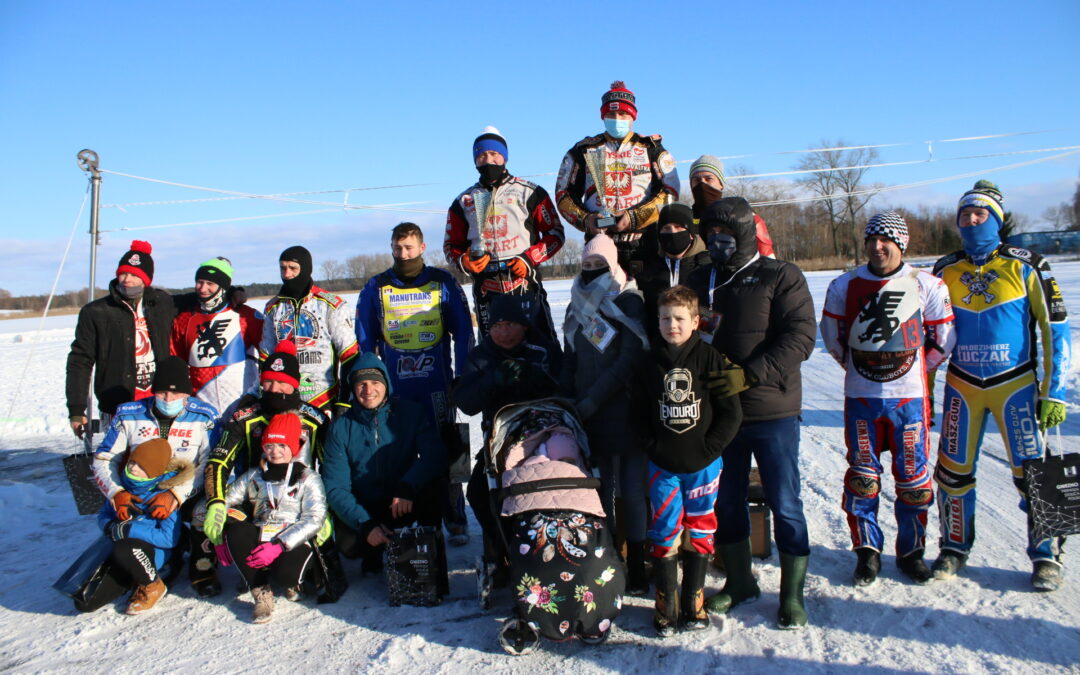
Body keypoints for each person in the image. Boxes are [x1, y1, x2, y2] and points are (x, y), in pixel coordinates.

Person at [932, 180, 1072, 591]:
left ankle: (1047, 555)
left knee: (1035, 474)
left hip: (1017, 385)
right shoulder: (945, 268)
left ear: (997, 219)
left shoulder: (1028, 263)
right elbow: (928, 334)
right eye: (965, 215)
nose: (972, 221)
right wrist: (924, 387)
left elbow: (1056, 330)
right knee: (953, 473)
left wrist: (1055, 391)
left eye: (980, 214)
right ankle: (954, 547)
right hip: (963, 385)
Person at [689, 197, 816, 629]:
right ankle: (740, 582)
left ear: (745, 236)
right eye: (711, 237)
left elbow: (800, 337)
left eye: (726, 237)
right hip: (720, 413)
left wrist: (750, 375)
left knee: (785, 501)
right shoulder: (699, 277)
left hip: (772, 411)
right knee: (726, 500)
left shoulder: (781, 275)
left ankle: (792, 593)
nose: (717, 244)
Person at [821, 212, 955, 586]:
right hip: (861, 399)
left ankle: (911, 552)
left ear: (901, 244)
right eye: (871, 240)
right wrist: (854, 367)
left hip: (909, 400)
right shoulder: (843, 285)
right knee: (863, 478)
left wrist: (917, 370)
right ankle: (867, 551)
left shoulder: (927, 283)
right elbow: (831, 335)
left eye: (887, 240)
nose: (878, 247)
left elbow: (944, 338)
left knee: (913, 479)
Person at [634, 285, 744, 636]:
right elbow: (634, 414)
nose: (672, 325)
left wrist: (711, 448)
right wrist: (652, 446)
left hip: (703, 465)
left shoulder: (712, 358)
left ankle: (693, 597)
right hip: (663, 466)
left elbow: (732, 413)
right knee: (664, 529)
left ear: (696, 321)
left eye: (680, 318)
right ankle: (667, 599)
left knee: (701, 528)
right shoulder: (647, 362)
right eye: (665, 318)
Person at [357, 222, 475, 546]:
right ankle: (403, 514)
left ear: (422, 248)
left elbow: (464, 332)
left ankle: (454, 513)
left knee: (446, 448)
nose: (403, 253)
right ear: (391, 248)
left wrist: (462, 376)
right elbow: (365, 339)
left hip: (436, 383)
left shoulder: (442, 282)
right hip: (395, 387)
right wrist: (370, 378)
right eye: (398, 248)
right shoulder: (377, 286)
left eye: (409, 248)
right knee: (398, 450)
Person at [196, 340, 338, 600]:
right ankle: (208, 571)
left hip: (300, 500)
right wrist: (216, 503)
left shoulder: (315, 419)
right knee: (199, 512)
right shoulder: (245, 416)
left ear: (295, 384)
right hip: (254, 498)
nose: (275, 389)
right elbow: (218, 462)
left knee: (325, 530)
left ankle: (305, 565)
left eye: (282, 383)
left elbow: (331, 466)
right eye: (268, 383)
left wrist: (326, 509)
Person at [560, 233, 650, 594]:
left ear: (613, 265)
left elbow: (631, 356)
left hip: (625, 410)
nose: (592, 271)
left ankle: (639, 563)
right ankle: (607, 558)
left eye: (600, 265)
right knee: (599, 492)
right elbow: (570, 356)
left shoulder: (629, 302)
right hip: (588, 415)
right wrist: (569, 400)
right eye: (587, 265)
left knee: (631, 491)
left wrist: (594, 399)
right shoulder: (574, 305)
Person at [453, 295, 562, 582]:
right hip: (499, 440)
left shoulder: (544, 350)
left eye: (510, 324)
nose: (503, 331)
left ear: (524, 325)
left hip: (544, 434)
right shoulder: (481, 356)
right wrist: (494, 379)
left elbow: (567, 387)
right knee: (478, 493)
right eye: (497, 325)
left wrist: (535, 377)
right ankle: (504, 551)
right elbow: (466, 402)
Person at [321, 354, 448, 576]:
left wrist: (408, 485)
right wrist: (365, 523)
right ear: (353, 388)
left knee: (434, 488)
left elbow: (433, 454)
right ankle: (375, 548)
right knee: (350, 546)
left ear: (386, 385)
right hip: (365, 505)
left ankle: (430, 550)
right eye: (361, 384)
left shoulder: (410, 413)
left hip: (402, 500)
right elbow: (335, 486)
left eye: (375, 383)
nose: (368, 390)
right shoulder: (341, 427)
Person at [445, 127, 564, 340]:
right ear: (475, 160)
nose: (488, 160)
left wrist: (529, 258)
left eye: (494, 154)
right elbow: (450, 245)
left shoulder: (530, 192)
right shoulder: (463, 201)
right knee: (492, 351)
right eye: (482, 155)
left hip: (524, 281)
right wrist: (464, 262)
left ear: (505, 157)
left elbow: (555, 234)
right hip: (486, 288)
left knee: (541, 344)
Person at [555, 81, 679, 276]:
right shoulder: (584, 150)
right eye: (611, 115)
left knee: (646, 302)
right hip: (600, 243)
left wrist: (635, 217)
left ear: (633, 116)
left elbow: (670, 192)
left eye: (622, 114)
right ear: (603, 116)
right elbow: (563, 194)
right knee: (600, 302)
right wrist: (586, 220)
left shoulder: (651, 149)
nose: (617, 119)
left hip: (645, 243)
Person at [217, 413, 328, 623]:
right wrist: (221, 532)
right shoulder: (253, 475)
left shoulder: (307, 477)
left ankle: (292, 582)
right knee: (236, 532)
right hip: (261, 531)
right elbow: (226, 502)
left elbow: (315, 518)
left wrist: (279, 545)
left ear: (293, 447)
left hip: (291, 537)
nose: (275, 452)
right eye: (269, 446)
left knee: (286, 575)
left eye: (282, 446)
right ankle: (260, 592)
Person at [67, 240, 175, 437]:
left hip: (160, 400)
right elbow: (80, 361)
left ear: (146, 279)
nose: (127, 279)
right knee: (119, 459)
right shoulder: (96, 311)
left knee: (158, 458)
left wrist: (232, 294)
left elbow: (195, 300)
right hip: (117, 402)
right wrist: (76, 409)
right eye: (123, 273)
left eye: (134, 274)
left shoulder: (161, 303)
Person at [93, 356, 218, 524]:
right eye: (162, 392)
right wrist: (116, 492)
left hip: (189, 493)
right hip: (140, 494)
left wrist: (176, 495)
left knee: (202, 519)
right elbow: (104, 458)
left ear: (187, 393)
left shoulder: (205, 416)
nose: (168, 399)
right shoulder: (128, 414)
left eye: (176, 393)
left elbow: (210, 463)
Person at [95, 438, 189, 615]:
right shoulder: (122, 487)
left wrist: (129, 530)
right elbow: (104, 514)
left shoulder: (164, 494)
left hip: (152, 550)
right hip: (120, 548)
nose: (133, 468)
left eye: (142, 466)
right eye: (132, 462)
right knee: (88, 600)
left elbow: (169, 538)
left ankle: (153, 585)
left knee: (125, 548)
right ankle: (130, 578)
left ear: (154, 471)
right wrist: (109, 526)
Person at [259, 245, 358, 411]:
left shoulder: (331, 305)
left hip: (324, 398)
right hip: (284, 398)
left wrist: (344, 401)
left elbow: (349, 355)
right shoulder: (273, 307)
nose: (287, 274)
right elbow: (265, 357)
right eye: (283, 268)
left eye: (293, 268)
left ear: (305, 269)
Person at [171, 257, 261, 422]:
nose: (203, 288)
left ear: (223, 286)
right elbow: (176, 362)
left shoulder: (245, 315)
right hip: (201, 411)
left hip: (243, 408)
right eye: (199, 282)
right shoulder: (183, 319)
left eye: (210, 284)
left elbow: (269, 352)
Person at [636, 203, 713, 345]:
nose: (672, 232)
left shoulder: (708, 264)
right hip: (658, 347)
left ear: (690, 233)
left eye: (678, 227)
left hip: (698, 347)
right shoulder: (650, 268)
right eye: (666, 228)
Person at [688, 155, 774, 258]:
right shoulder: (684, 219)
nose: (702, 184)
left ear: (721, 184)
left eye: (708, 179)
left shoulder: (743, 215)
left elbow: (766, 252)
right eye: (697, 180)